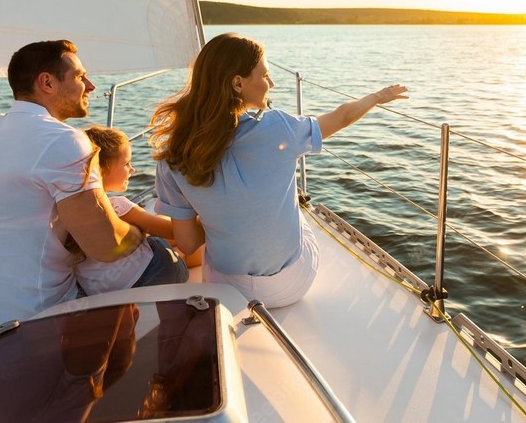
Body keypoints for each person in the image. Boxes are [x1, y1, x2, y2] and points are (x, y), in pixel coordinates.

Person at [0, 40, 185, 346]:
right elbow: (106, 244)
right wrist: (142, 233)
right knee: (163, 260)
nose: (91, 86)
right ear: (47, 82)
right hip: (22, 318)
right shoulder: (63, 140)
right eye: (80, 77)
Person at [150, 32, 408, 307]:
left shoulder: (173, 156)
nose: (271, 83)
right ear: (238, 83)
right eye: (264, 76)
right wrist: (377, 97)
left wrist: (221, 216)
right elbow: (342, 117)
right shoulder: (279, 128)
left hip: (224, 289)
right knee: (299, 210)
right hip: (289, 285)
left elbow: (187, 245)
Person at [72, 125, 186, 296]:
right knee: (169, 239)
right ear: (102, 169)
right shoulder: (118, 207)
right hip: (158, 273)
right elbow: (175, 232)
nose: (133, 169)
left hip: (104, 293)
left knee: (151, 231)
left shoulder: (66, 214)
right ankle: (183, 258)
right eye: (126, 163)